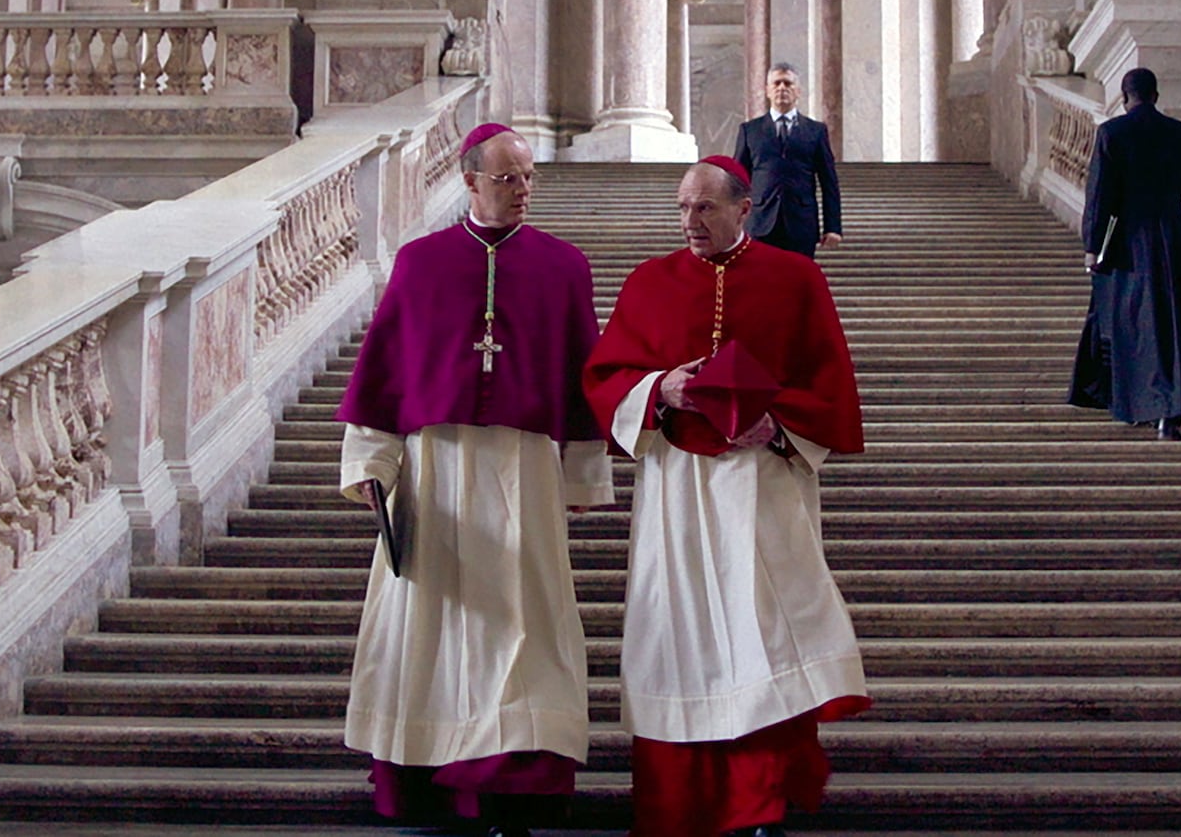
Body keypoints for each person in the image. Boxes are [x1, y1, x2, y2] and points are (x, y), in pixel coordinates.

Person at [335, 122, 613, 837]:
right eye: (507, 178)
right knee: (433, 627)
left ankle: (512, 786)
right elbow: (386, 372)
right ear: (469, 180)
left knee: (527, 627)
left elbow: (584, 375)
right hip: (436, 470)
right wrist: (372, 463)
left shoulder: (564, 265)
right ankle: (431, 779)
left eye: (528, 177)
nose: (522, 190)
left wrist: (584, 474)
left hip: (525, 469)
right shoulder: (420, 263)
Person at [582, 155, 869, 837]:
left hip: (763, 481)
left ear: (746, 208)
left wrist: (780, 421)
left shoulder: (796, 277)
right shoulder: (649, 281)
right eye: (682, 207)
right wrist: (660, 388)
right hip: (675, 487)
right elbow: (604, 374)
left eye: (705, 207)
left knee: (765, 632)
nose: (691, 221)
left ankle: (762, 799)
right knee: (675, 635)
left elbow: (831, 381)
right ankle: (677, 801)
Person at [1067, 68, 1181, 440]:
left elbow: (1100, 195)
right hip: (1174, 238)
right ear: (1156, 95)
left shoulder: (1112, 133)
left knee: (1134, 326)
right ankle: (1171, 413)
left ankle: (1143, 406)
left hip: (1128, 243)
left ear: (1124, 97)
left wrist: (1092, 246)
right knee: (1173, 324)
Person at [733, 63, 843, 257]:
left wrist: (832, 226)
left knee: (798, 283)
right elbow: (738, 181)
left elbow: (829, 182)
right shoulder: (750, 131)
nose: (782, 88)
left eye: (788, 83)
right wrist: (733, 223)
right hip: (760, 222)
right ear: (767, 90)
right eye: (776, 83)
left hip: (801, 223)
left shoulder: (816, 131)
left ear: (798, 91)